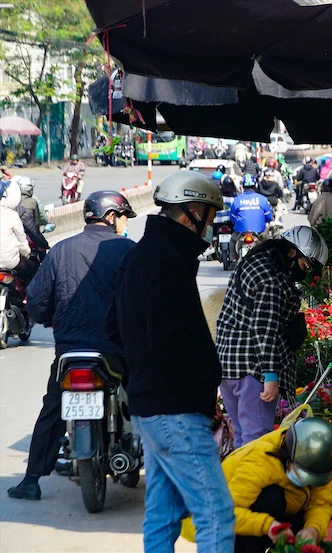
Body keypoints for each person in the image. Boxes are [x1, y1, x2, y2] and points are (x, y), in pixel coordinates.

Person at [108, 172, 234, 553]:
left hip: (151, 407)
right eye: (209, 218)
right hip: (175, 410)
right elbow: (176, 341)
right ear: (191, 213)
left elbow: (114, 330)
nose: (210, 229)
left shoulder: (143, 256)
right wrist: (199, 384)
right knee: (216, 513)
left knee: (163, 513)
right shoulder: (165, 262)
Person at [6, 191, 135, 501]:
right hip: (115, 350)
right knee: (143, 400)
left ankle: (31, 479)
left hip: (71, 352)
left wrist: (50, 319)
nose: (123, 224)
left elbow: (36, 302)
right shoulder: (129, 251)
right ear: (110, 217)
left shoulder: (61, 250)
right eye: (122, 217)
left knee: (53, 407)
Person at [216, 226, 327, 447]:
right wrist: (270, 376)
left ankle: (238, 482)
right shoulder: (272, 280)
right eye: (306, 265)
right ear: (292, 253)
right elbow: (264, 329)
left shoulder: (256, 260)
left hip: (228, 365)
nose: (305, 272)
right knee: (256, 442)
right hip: (252, 370)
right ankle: (252, 482)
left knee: (241, 437)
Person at [180, 416, 332, 553]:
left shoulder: (319, 460)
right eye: (304, 474)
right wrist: (267, 526)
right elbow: (225, 513)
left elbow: (322, 502)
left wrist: (313, 529)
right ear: (288, 456)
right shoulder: (262, 460)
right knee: (272, 498)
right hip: (213, 521)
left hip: (276, 512)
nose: (307, 482)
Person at [0, 179, 36, 282]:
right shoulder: (11, 215)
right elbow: (21, 240)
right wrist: (27, 253)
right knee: (34, 269)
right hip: (11, 262)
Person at [15, 176, 50, 257]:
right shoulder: (33, 201)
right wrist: (43, 244)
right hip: (27, 236)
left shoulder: (10, 201)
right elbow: (36, 223)